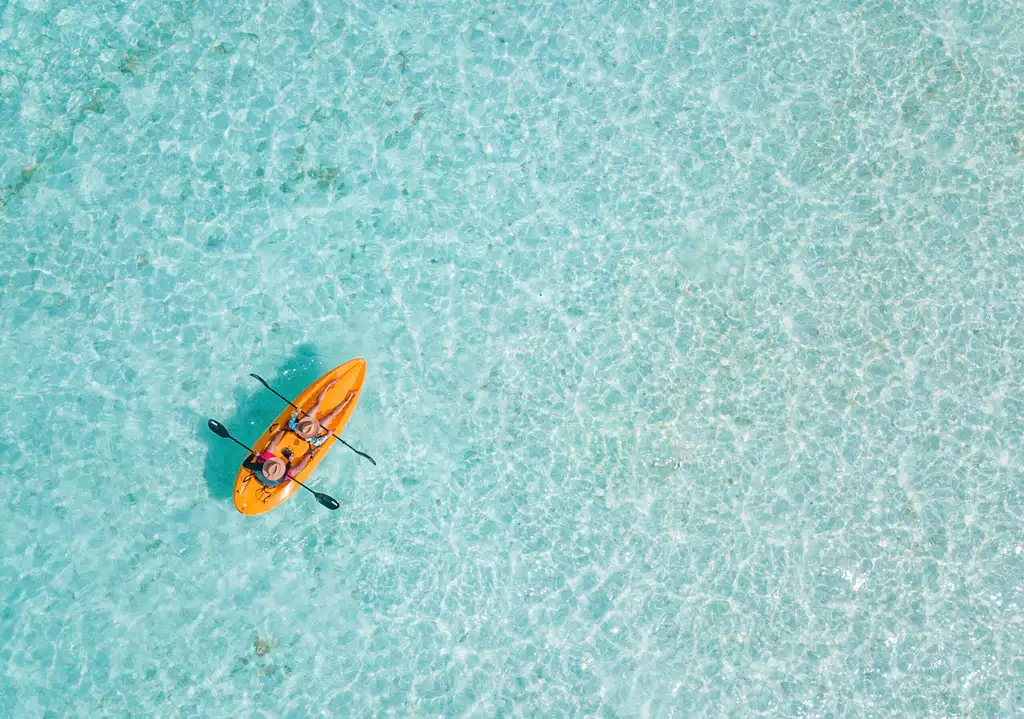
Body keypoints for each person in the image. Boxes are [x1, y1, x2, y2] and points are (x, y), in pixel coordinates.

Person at [287, 379, 357, 447]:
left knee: (317, 404)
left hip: (307, 421)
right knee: (331, 415)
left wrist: (297, 412)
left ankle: (328, 386)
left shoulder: (294, 426)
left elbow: (290, 422)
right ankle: (347, 401)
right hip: (316, 429)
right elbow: (318, 443)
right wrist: (327, 435)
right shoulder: (309, 438)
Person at [242, 429, 314, 488]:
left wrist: (253, 455)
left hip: (263, 470)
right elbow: (287, 468)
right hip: (271, 480)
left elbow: (245, 464)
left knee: (273, 443)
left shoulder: (260, 466)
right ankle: (310, 453)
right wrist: (290, 461)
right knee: (299, 468)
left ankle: (284, 429)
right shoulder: (281, 478)